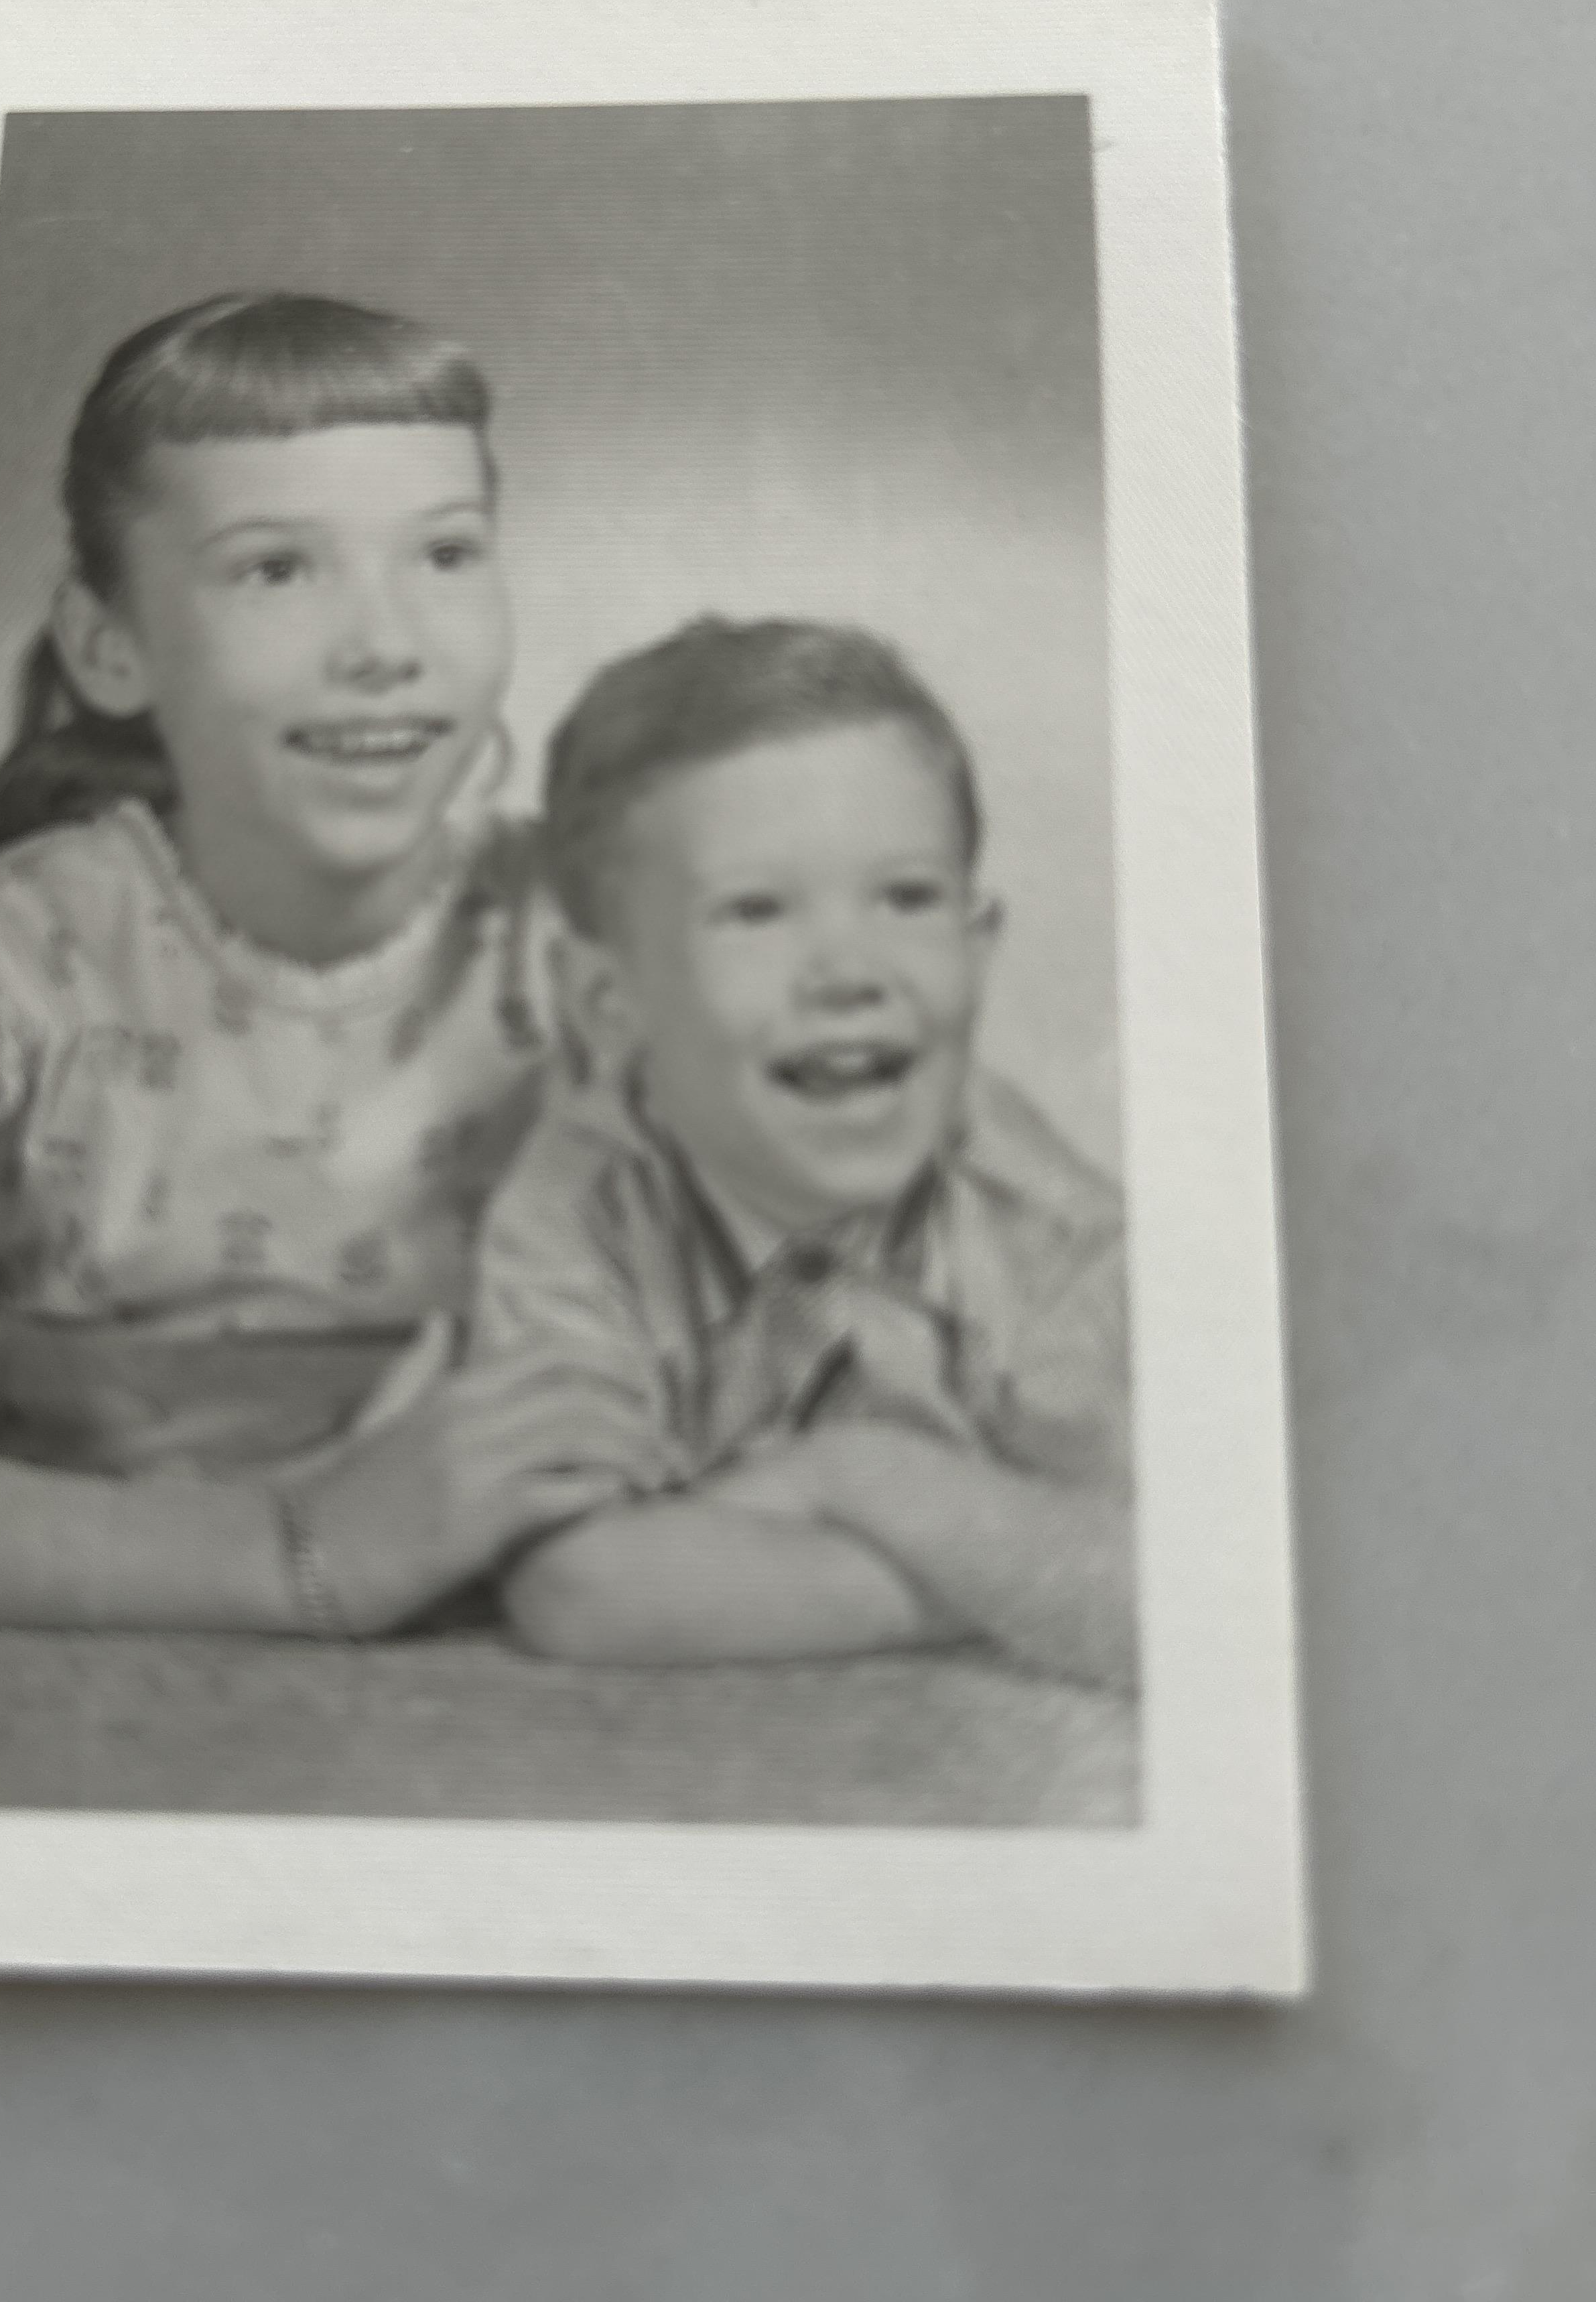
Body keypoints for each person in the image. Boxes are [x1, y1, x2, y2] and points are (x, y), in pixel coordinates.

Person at [0, 294, 668, 1637]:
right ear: (111, 646)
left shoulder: (593, 927)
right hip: (102, 1658)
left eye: (445, 554)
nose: (386, 645)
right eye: (276, 569)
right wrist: (290, 1553)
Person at [472, 617, 1137, 1688]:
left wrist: (865, 1480)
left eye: (908, 898)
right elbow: (582, 1589)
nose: (850, 971)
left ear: (980, 943)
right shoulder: (588, 1206)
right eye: (757, 911)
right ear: (609, 1001)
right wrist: (993, 1560)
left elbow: (1158, 1587)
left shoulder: (1044, 1230)